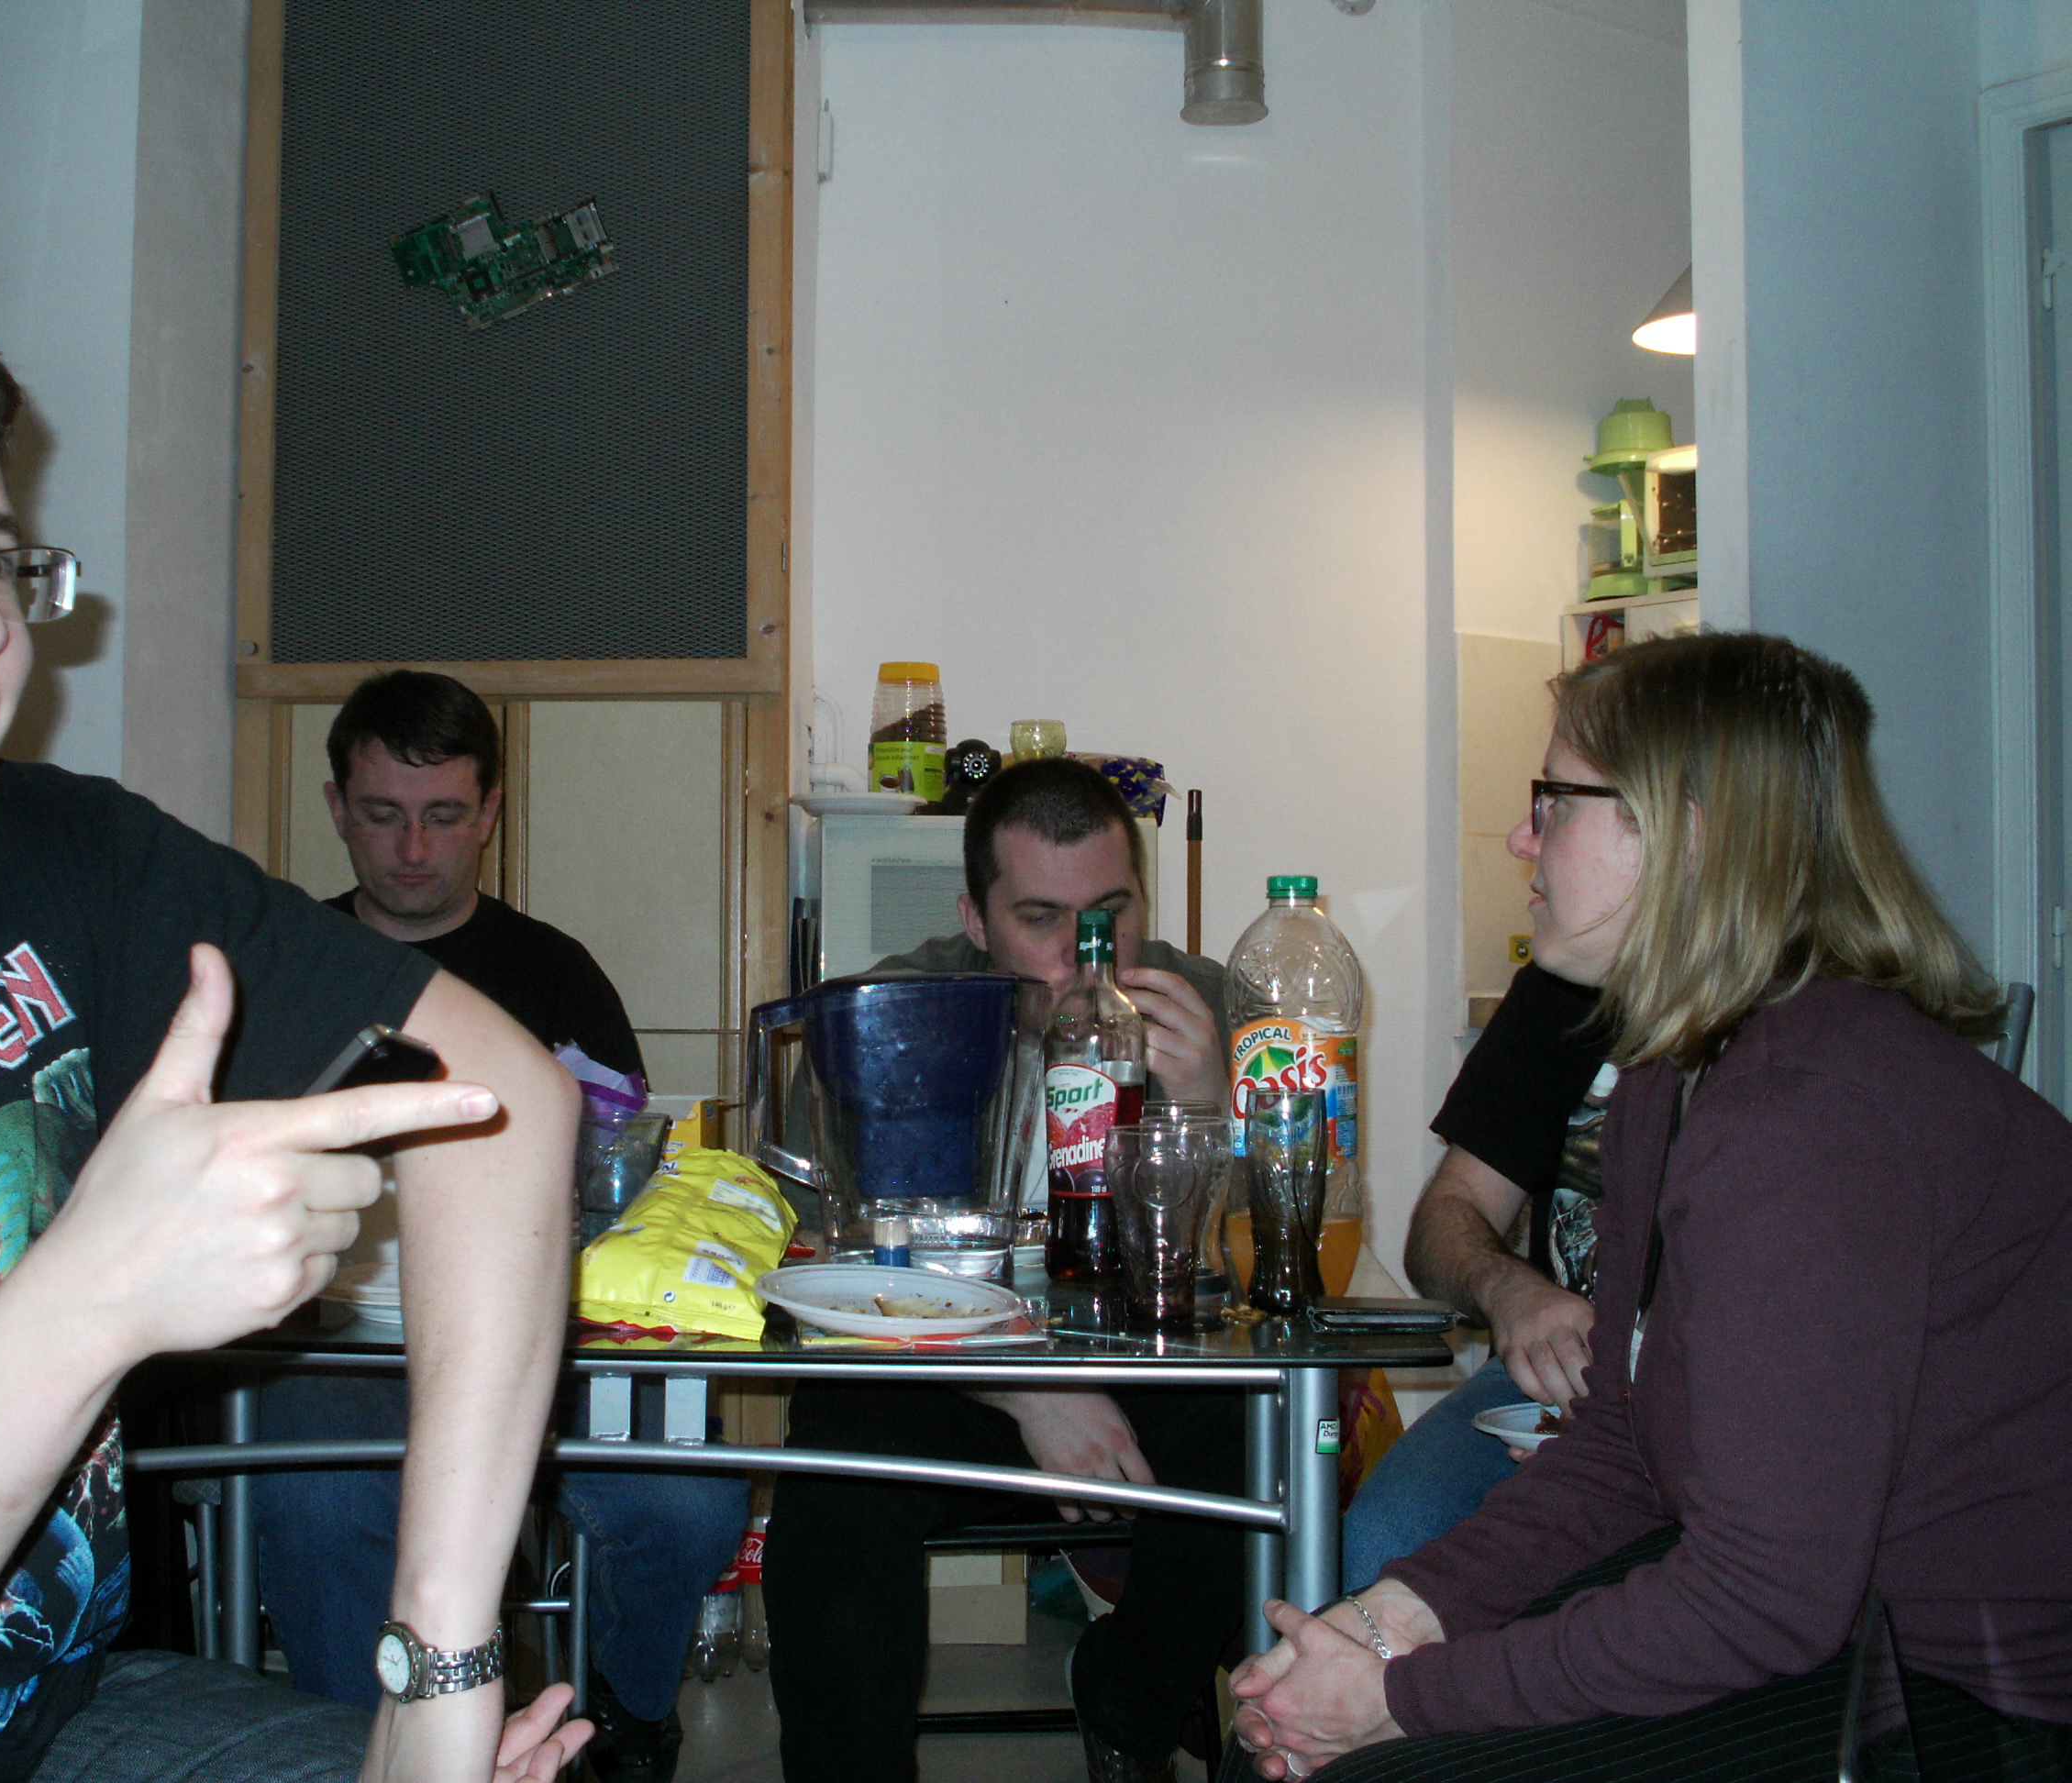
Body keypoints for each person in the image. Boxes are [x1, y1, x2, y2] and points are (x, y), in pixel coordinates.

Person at [0, 297, 591, 1781]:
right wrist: (87, 1304)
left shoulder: (57, 858)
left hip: (72, 1720)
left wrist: (433, 1678)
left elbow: (497, 1100)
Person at [1229, 632, 2072, 1782]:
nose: (1522, 837)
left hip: (1974, 1702)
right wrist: (1376, 1630)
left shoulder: (1811, 1114)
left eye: (1555, 801)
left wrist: (1399, 1702)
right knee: (1293, 1743)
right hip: (1850, 1633)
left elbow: (1762, 1599)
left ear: (1690, 834)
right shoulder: (1671, 1079)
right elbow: (1621, 1443)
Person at [251, 670, 746, 1783]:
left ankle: (620, 1723)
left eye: (442, 815)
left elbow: (631, 1187)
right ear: (335, 809)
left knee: (688, 1502)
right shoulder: (285, 966)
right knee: (319, 1491)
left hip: (538, 1341)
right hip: (336, 1344)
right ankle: (357, 1753)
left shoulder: (556, 976)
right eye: (382, 815)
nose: (412, 848)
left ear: (490, 813)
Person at [764, 756, 1246, 1783]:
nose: (1081, 957)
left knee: (1274, 1433)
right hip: (943, 1371)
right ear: (975, 921)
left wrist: (1213, 1116)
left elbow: (1265, 1284)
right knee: (838, 1468)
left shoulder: (1205, 1008)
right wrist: (1026, 1387)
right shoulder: (894, 1013)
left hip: (1144, 1357)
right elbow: (820, 1266)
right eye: (1040, 920)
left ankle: (1133, 1697)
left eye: (1110, 916)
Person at [1337, 962, 1610, 1589]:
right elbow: (1445, 1221)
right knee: (1383, 1544)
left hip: (1712, 1408)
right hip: (1538, 1388)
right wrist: (1512, 1293)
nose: (1533, 919)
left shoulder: (1808, 1021)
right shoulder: (1564, 986)